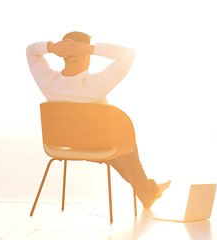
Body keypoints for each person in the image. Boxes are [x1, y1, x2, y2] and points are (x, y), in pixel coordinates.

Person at [26, 31, 170, 209]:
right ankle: (149, 193)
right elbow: (128, 55)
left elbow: (30, 51)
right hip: (99, 146)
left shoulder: (48, 83)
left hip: (65, 146)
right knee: (125, 152)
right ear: (86, 55)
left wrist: (51, 47)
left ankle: (150, 190)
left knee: (118, 158)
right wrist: (91, 49)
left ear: (62, 56)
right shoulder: (95, 85)